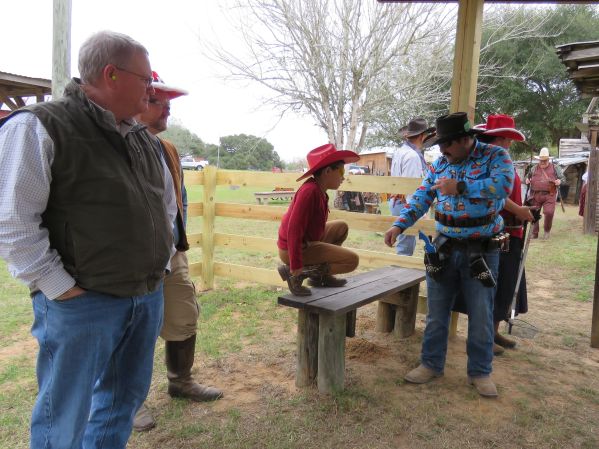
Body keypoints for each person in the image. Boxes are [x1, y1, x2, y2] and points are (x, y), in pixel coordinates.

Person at [0, 31, 176, 448]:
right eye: (145, 79)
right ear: (111, 74)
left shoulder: (144, 139)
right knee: (64, 414)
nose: (151, 90)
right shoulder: (40, 125)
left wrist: (162, 265)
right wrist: (60, 288)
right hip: (82, 303)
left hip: (145, 295)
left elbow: (166, 207)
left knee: (121, 404)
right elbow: (12, 221)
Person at [384, 112, 514, 398]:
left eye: (446, 144)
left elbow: (504, 186)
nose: (441, 150)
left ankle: (480, 372)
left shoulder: (495, 156)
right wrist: (399, 225)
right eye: (439, 144)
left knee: (481, 313)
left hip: (482, 247)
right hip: (444, 246)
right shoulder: (440, 164)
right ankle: (431, 364)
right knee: (436, 310)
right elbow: (421, 197)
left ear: (465, 139)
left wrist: (461, 187)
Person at [133, 73, 223, 432]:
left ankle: (180, 381)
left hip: (171, 253)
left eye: (169, 103)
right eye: (158, 101)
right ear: (138, 100)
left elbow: (178, 200)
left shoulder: (167, 149)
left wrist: (175, 240)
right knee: (134, 329)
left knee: (184, 315)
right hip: (133, 259)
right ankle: (130, 400)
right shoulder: (117, 144)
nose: (167, 109)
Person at [473, 114, 534, 354]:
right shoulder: (487, 162)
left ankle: (492, 331)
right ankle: (483, 335)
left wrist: (522, 211)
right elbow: (494, 193)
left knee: (505, 283)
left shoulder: (502, 159)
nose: (509, 143)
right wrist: (518, 210)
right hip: (497, 231)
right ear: (496, 138)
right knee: (493, 284)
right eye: (505, 138)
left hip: (512, 230)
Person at [278, 144, 360, 296]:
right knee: (352, 261)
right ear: (328, 171)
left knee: (341, 227)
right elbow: (294, 228)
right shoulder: (309, 192)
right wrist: (295, 263)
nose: (343, 177)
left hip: (307, 242)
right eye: (341, 171)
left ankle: (320, 277)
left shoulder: (319, 190)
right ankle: (296, 274)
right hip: (293, 249)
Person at [388, 118, 434, 256]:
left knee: (405, 241)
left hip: (397, 201)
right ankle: (400, 268)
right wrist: (420, 211)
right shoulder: (413, 156)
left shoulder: (400, 152)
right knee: (406, 246)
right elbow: (411, 188)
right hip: (406, 203)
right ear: (422, 136)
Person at [525, 147, 565, 239]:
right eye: (541, 160)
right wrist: (527, 179)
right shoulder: (534, 168)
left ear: (548, 159)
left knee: (549, 212)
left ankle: (547, 231)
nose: (542, 162)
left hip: (550, 194)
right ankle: (534, 233)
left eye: (545, 160)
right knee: (534, 213)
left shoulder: (555, 168)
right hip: (535, 194)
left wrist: (559, 181)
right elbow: (526, 177)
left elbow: (563, 178)